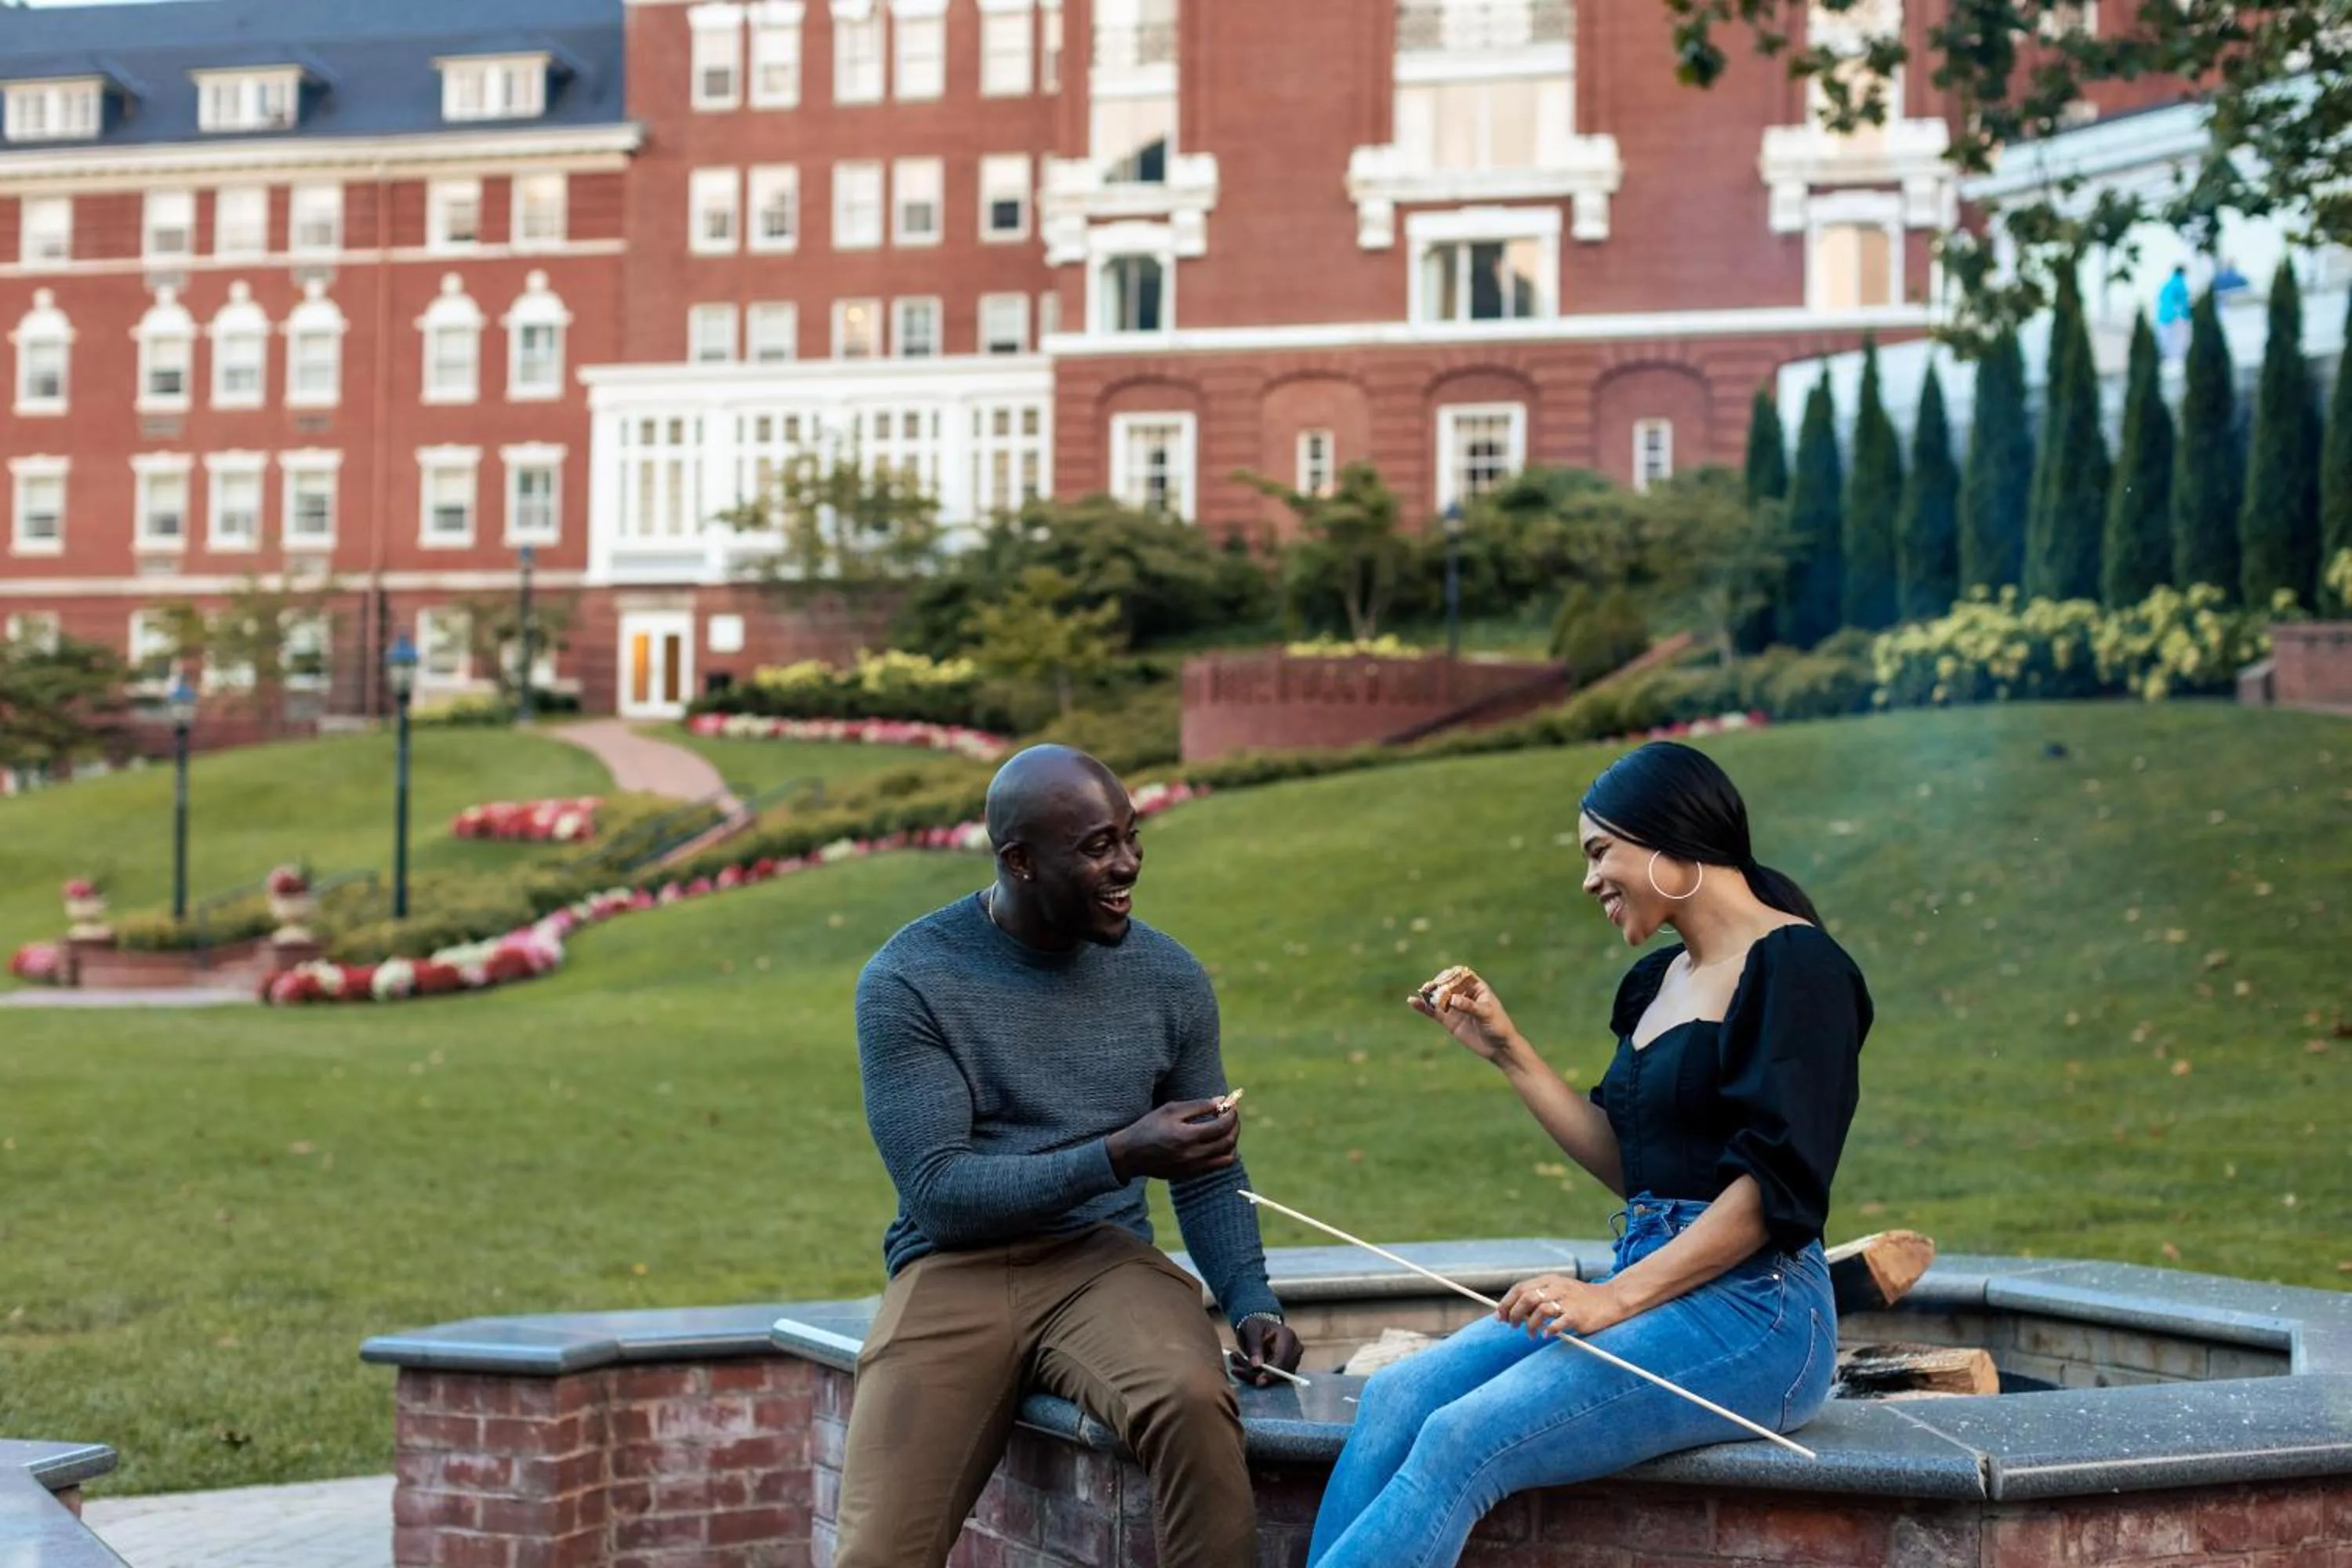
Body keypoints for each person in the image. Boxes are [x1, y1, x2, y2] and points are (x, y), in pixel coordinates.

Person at [1308, 741, 1873, 1568]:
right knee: (1400, 1396)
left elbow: (1772, 1185)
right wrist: (1507, 1050)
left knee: (1465, 1437)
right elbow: (1632, 1164)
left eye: (1599, 851)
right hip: (1652, 1283)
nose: (1588, 879)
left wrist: (1612, 1299)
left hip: (1760, 1311)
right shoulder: (1656, 980)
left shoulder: (1800, 968)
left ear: (1668, 838)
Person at [834, 744, 1305, 1568]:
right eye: (1096, 846)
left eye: (1130, 834)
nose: (1126, 863)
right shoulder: (910, 978)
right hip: (953, 1267)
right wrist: (1120, 1151)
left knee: (1193, 1399)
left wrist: (1251, 1296)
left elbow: (1208, 1164)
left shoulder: (1168, 977)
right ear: (1019, 860)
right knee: (878, 1549)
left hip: (1102, 1262)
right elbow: (940, 1190)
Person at [2157, 263, 2192, 361]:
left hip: (2162, 317)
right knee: (2178, 343)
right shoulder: (2180, 284)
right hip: (2174, 317)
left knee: (2164, 342)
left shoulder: (2166, 285)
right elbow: (2183, 302)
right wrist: (2188, 315)